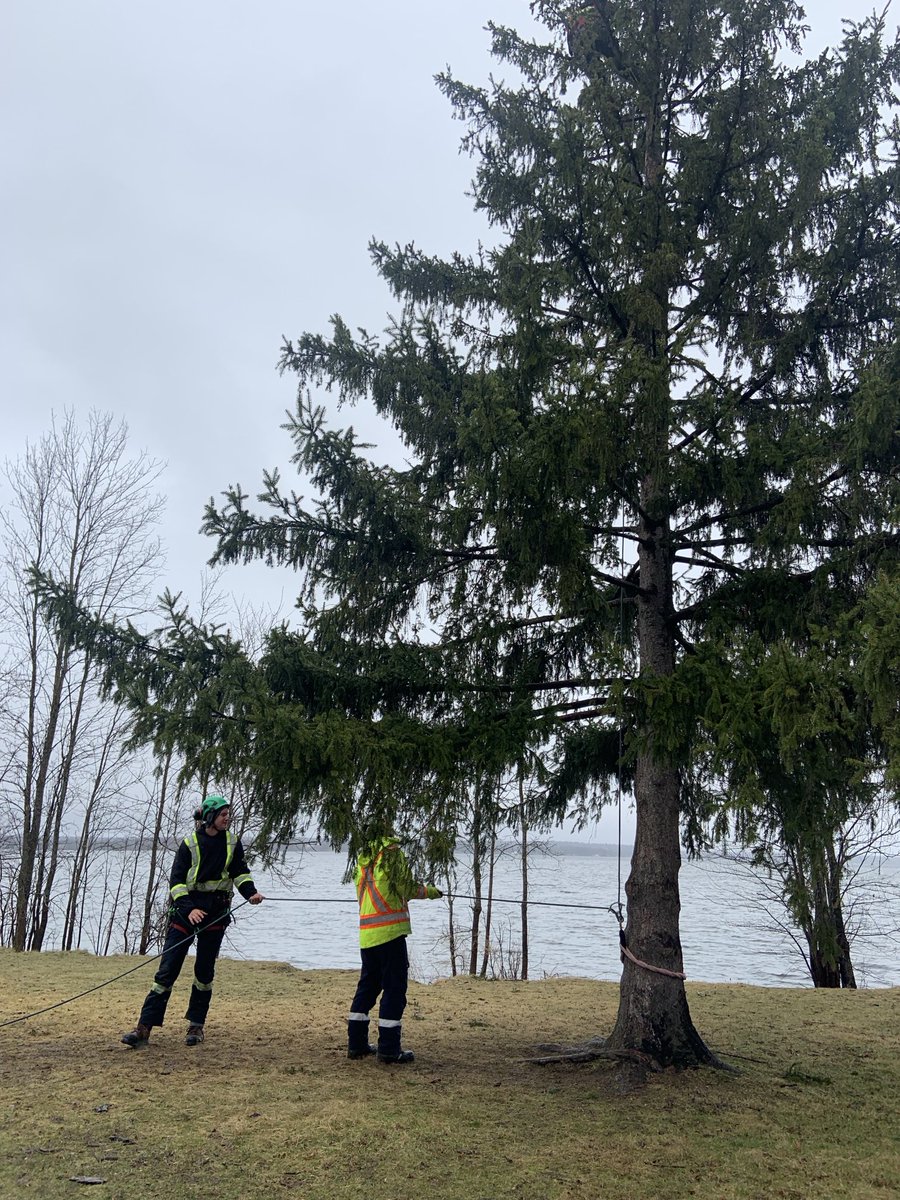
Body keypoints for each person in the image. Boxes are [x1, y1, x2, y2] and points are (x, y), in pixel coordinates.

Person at [121, 795, 264, 1048]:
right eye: (223, 814)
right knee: (167, 971)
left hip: (216, 914)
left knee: (204, 973)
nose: (227, 818)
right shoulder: (189, 844)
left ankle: (196, 1026)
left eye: (228, 814)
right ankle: (143, 1029)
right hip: (184, 915)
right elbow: (176, 883)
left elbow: (240, 873)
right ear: (210, 817)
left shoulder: (233, 843)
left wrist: (250, 893)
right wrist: (189, 910)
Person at [347, 834, 442, 1064]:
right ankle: (389, 1049)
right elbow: (406, 887)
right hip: (390, 933)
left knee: (367, 988)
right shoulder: (391, 853)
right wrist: (431, 892)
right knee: (394, 989)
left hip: (367, 935)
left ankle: (356, 1044)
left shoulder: (362, 857)